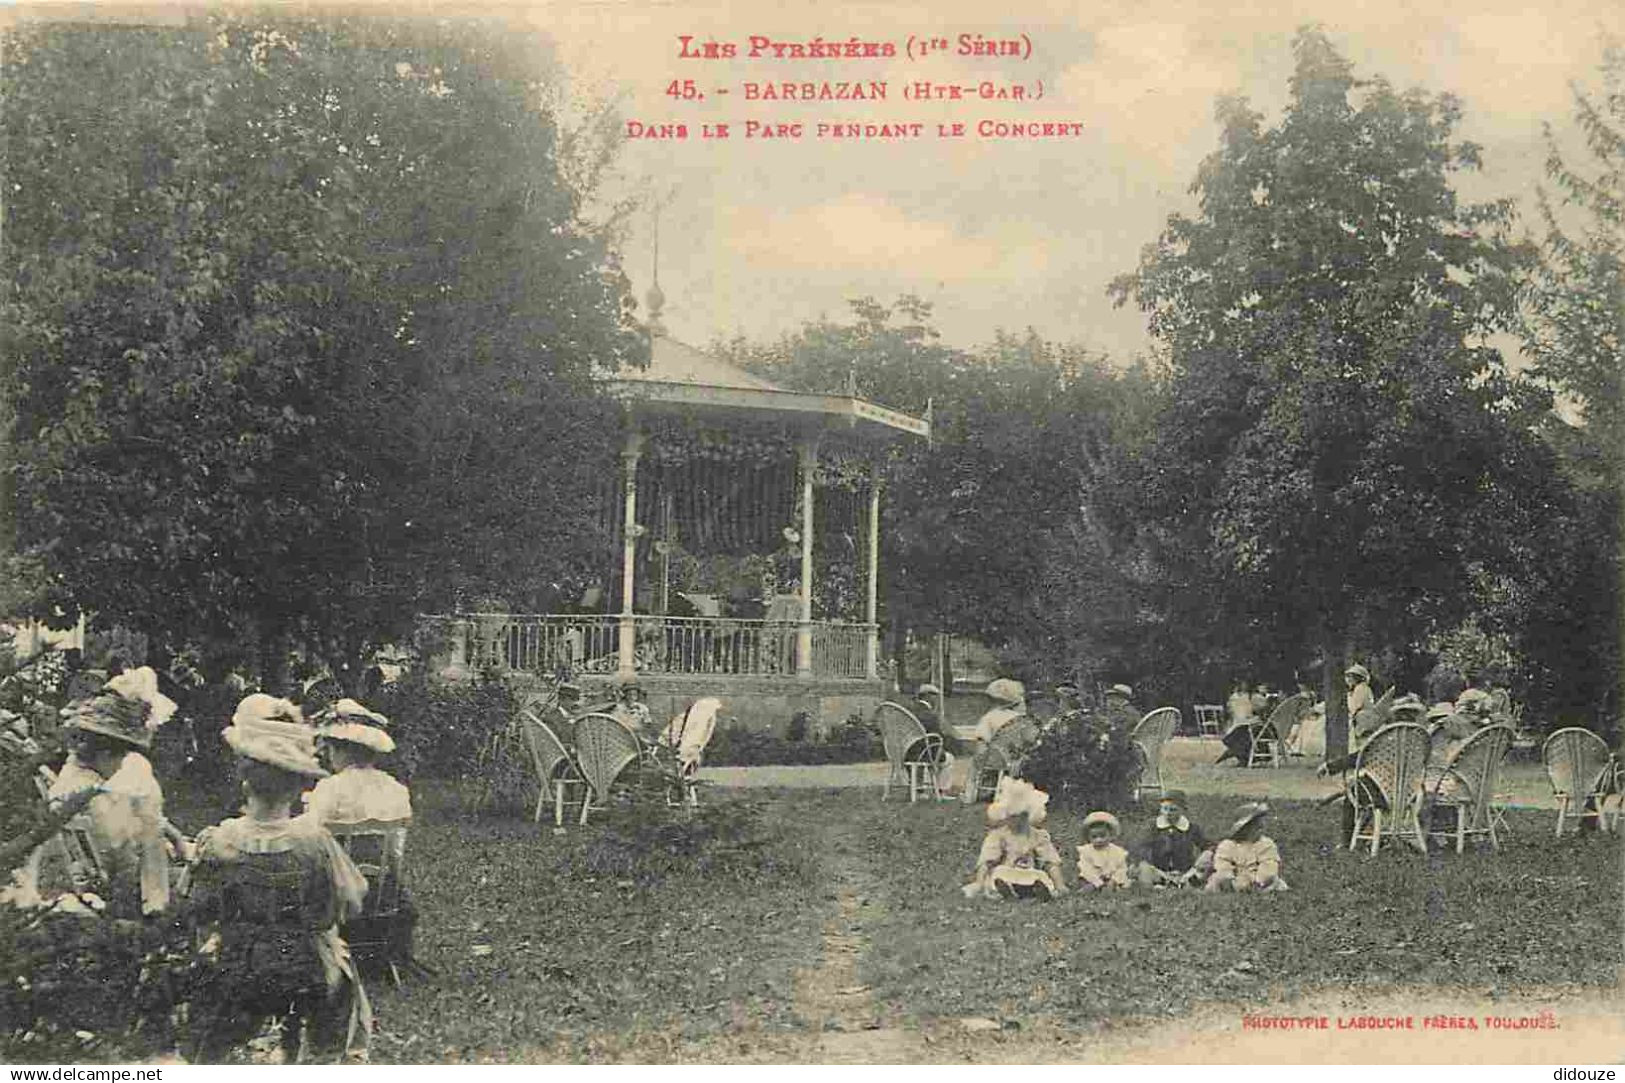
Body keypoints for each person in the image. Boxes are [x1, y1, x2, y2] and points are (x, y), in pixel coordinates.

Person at [185, 694, 371, 1064]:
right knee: (339, 971)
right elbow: (352, 898)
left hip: (236, 964)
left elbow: (197, 907)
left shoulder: (218, 841)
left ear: (243, 784)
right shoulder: (314, 840)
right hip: (304, 965)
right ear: (299, 788)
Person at [31, 666, 177, 918]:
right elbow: (121, 853)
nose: (123, 762)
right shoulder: (88, 792)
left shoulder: (80, 773)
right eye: (121, 755)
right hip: (101, 890)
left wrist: (171, 837)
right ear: (105, 752)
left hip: (96, 875)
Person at [308, 699, 412, 839]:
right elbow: (396, 849)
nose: (328, 756)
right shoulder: (397, 789)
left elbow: (313, 837)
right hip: (382, 861)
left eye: (331, 750)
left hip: (335, 860)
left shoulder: (331, 787)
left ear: (343, 751)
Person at [962, 777, 1068, 900]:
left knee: (1041, 876)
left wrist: (1060, 884)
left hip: (1029, 873)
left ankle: (1039, 891)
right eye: (1012, 816)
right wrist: (979, 883)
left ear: (1030, 814)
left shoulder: (1038, 836)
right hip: (1008, 871)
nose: (1016, 821)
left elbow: (1050, 862)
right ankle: (1006, 890)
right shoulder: (999, 835)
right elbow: (987, 861)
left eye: (1022, 816)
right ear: (1004, 815)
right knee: (999, 872)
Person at [957, 679, 1035, 803]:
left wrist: (980, 757)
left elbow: (981, 742)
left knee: (975, 762)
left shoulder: (989, 717)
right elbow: (1030, 740)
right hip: (1016, 759)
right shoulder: (1020, 719)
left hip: (996, 759)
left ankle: (969, 795)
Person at [1134, 790, 1214, 888]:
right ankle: (1159, 884)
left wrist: (1203, 858)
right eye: (1165, 809)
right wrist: (1153, 867)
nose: (1168, 813)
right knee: (1143, 868)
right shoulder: (1153, 827)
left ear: (1182, 810)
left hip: (1184, 870)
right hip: (1159, 870)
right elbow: (1141, 847)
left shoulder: (1191, 828)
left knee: (1208, 861)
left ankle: (1186, 883)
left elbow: (1207, 845)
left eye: (1173, 810)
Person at [1205, 803, 1288, 892]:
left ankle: (1252, 890)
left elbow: (1269, 866)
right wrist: (1228, 876)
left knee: (1272, 883)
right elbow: (1222, 863)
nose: (1260, 826)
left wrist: (1257, 880)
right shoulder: (1228, 845)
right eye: (1255, 825)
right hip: (1233, 879)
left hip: (1257, 880)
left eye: (1260, 824)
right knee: (1216, 880)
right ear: (1243, 829)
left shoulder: (1266, 844)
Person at [1075, 811, 1131, 891]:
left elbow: (1121, 868)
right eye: (1094, 837)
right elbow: (1086, 868)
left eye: (1102, 836)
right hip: (1093, 877)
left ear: (1110, 835)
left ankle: (1111, 887)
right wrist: (1097, 882)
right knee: (1084, 878)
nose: (1099, 840)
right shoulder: (1087, 851)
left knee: (1121, 879)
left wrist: (1114, 879)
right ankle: (1094, 888)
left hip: (1111, 877)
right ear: (1089, 837)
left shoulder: (1116, 851)